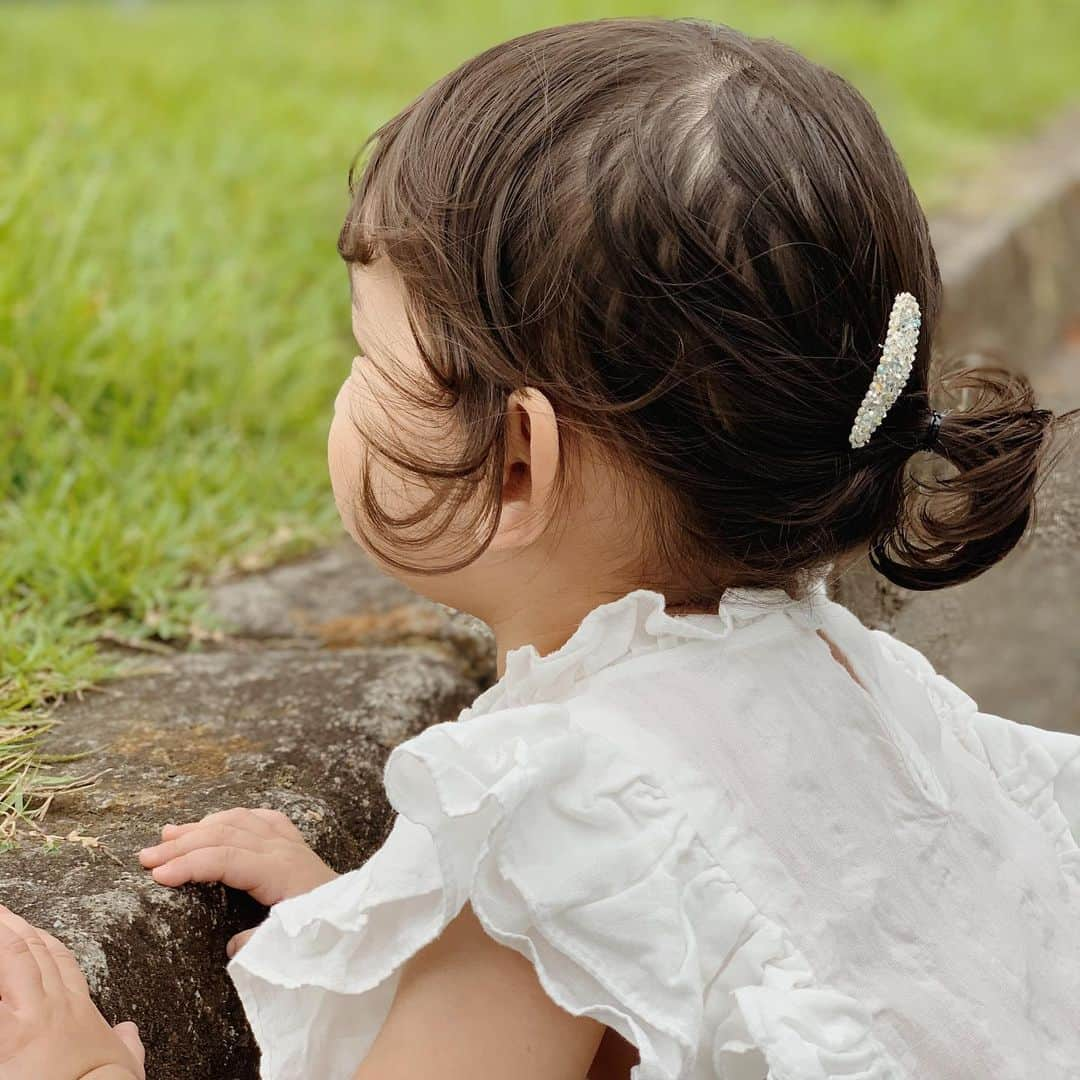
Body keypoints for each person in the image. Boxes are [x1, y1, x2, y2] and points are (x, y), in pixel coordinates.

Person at [4, 16, 1078, 1080]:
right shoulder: (838, 679)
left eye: (368, 355)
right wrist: (378, 924)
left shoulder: (560, 823)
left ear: (517, 459)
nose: (346, 391)